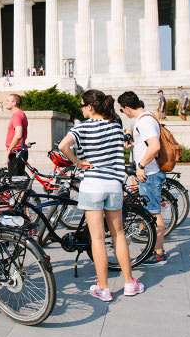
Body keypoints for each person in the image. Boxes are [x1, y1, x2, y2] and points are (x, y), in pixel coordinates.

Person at [58, 90, 145, 302]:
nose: (81, 108)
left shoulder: (82, 127)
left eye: (82, 105)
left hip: (92, 185)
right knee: (119, 235)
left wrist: (77, 161)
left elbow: (63, 146)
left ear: (89, 107)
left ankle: (103, 288)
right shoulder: (115, 125)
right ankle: (129, 282)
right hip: (113, 184)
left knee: (97, 238)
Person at [118, 91, 167, 265]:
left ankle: (159, 253)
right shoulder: (146, 118)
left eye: (123, 110)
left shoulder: (145, 120)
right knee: (151, 212)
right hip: (150, 172)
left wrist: (141, 166)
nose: (124, 113)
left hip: (150, 173)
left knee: (154, 214)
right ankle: (155, 248)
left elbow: (154, 146)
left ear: (128, 108)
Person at [4, 94, 28, 175]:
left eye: (8, 101)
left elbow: (18, 135)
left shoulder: (17, 115)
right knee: (18, 182)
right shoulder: (20, 114)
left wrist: (10, 149)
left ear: (14, 103)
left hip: (16, 152)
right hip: (19, 151)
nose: (5, 103)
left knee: (15, 183)